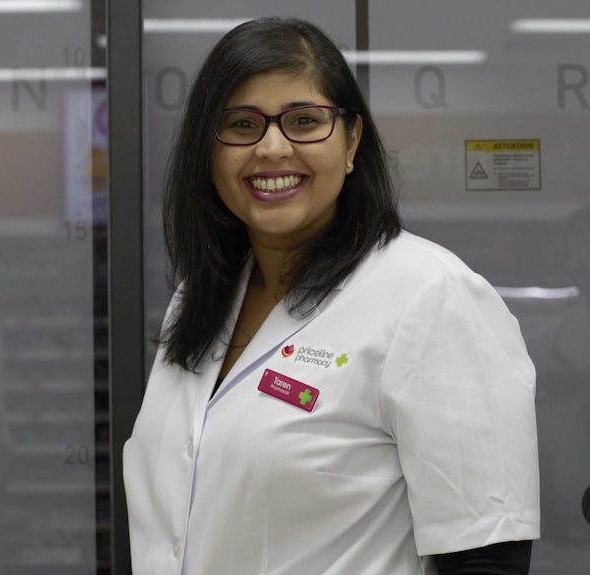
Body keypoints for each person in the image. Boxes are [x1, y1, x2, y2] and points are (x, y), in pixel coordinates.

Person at [123, 17, 539, 575]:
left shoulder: (432, 297)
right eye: (242, 124)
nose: (272, 148)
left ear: (351, 142)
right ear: (209, 152)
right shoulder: (199, 298)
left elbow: (485, 553)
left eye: (303, 121)